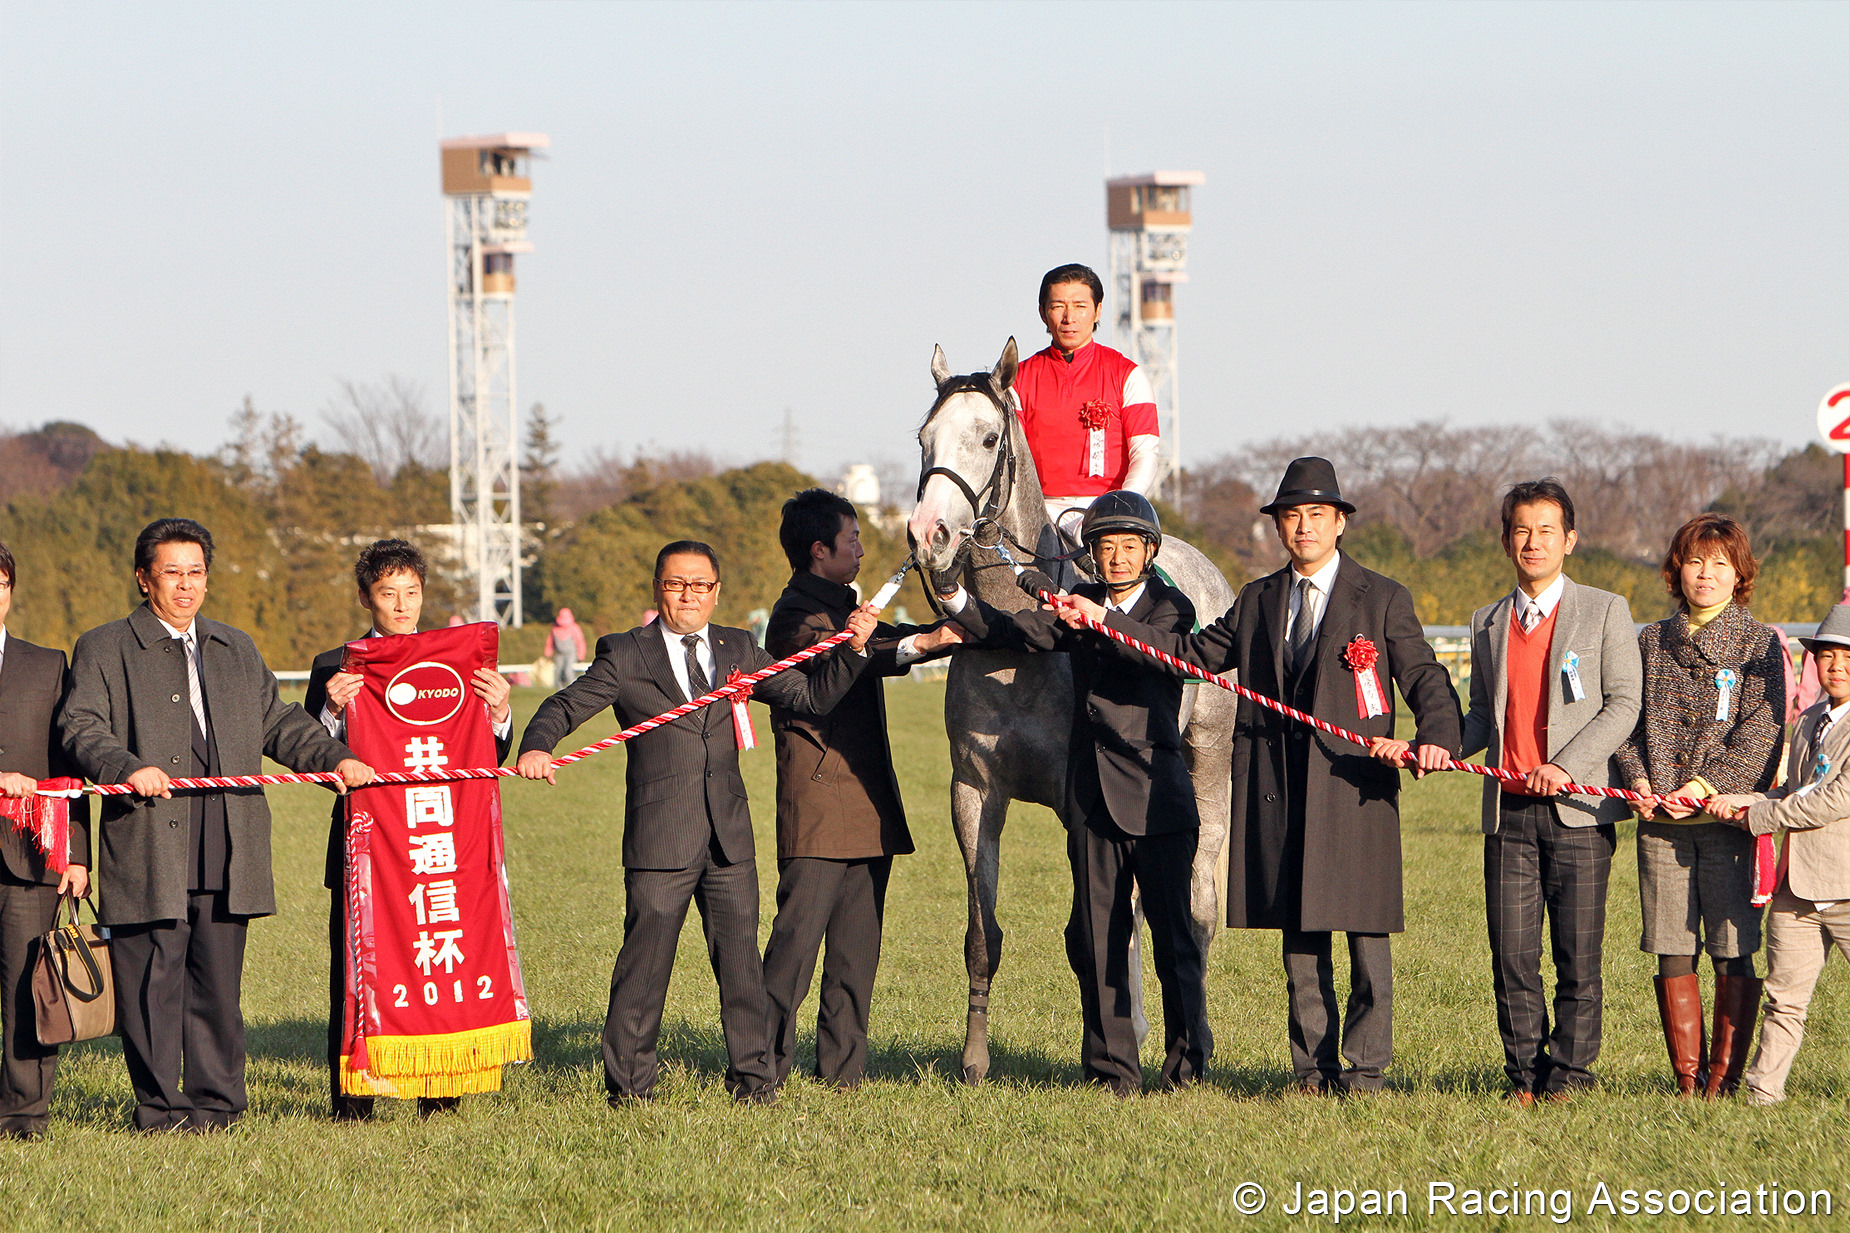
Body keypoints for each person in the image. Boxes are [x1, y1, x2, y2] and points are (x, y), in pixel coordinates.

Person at [1059, 462, 1460, 1095]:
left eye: (1316, 515)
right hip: (1281, 786)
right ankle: (1311, 1068)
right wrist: (1105, 621)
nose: (1303, 527)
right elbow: (1186, 656)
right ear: (1278, 526)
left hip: (1355, 785)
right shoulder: (1258, 599)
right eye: (1291, 516)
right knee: (1299, 931)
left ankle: (1368, 1069)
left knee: (1364, 934)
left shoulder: (1381, 596)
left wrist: (1435, 736)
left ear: (1340, 522)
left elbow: (1424, 674)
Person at [515, 540, 878, 1105]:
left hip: (729, 837)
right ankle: (630, 1088)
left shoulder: (737, 646)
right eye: (676, 584)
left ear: (716, 591)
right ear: (658, 588)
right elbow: (565, 704)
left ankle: (754, 1082)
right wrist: (537, 747)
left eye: (700, 585)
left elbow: (809, 698)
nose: (688, 595)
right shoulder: (626, 653)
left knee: (741, 970)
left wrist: (854, 650)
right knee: (645, 964)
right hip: (661, 836)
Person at [59, 518, 374, 1132]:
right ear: (143, 578)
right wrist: (125, 767)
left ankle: (218, 1104)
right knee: (152, 982)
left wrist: (336, 757)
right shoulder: (104, 647)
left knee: (217, 982)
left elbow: (278, 724)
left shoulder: (236, 647)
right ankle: (160, 1108)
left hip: (229, 839)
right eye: (171, 572)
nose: (185, 585)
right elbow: (80, 725)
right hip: (148, 833)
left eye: (195, 572)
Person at [944, 491, 1213, 1093]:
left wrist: (1097, 619)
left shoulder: (1171, 605)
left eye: (1128, 547)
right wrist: (956, 597)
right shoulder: (1082, 603)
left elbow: (1154, 654)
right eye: (1105, 548)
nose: (1117, 559)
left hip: (1154, 794)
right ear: (1091, 554)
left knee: (1173, 937)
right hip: (1089, 796)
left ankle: (1185, 1061)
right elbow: (1017, 632)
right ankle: (1109, 1067)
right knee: (1098, 937)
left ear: (1149, 552)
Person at [304, 539, 513, 1121]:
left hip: (440, 845)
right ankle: (354, 1100)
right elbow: (311, 760)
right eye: (387, 594)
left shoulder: (458, 661)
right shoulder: (336, 666)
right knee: (357, 970)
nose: (401, 605)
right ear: (366, 598)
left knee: (442, 962)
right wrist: (330, 714)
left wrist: (499, 715)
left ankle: (440, 1098)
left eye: (411, 592)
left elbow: (487, 757)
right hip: (366, 850)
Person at [760, 490, 963, 1087]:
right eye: (852, 539)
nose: (862, 549)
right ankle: (760, 1068)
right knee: (795, 947)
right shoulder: (795, 616)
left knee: (856, 952)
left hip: (866, 806)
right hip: (820, 806)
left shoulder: (845, 610)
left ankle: (842, 1073)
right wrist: (869, 643)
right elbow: (824, 686)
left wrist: (941, 635)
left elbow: (883, 645)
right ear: (819, 550)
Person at [1459, 480, 1642, 1105]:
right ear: (1507, 538)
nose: (1532, 542)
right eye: (1520, 530)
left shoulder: (1605, 609)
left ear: (1570, 539)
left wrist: (1565, 766)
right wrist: (1436, 747)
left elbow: (1624, 704)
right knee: (1511, 955)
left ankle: (1569, 1076)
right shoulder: (1487, 621)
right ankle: (1524, 1077)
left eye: (1545, 531)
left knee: (1576, 956)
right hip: (1508, 810)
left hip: (1581, 812)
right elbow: (1481, 715)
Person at [1614, 514, 1783, 1097]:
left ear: (1739, 574)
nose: (1705, 574)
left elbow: (1764, 731)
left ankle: (1724, 1076)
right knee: (1670, 944)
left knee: (1732, 947)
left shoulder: (1760, 644)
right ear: (1675, 570)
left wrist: (1705, 787)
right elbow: (1625, 723)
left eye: (1719, 563)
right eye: (1694, 561)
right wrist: (1639, 782)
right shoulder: (1648, 642)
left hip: (1729, 822)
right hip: (1660, 824)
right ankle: (1687, 1077)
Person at [1708, 605, 1850, 1104]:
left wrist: (1762, 818)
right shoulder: (1809, 719)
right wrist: (1747, 800)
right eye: (1827, 657)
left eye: (1847, 658)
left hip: (1847, 885)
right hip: (1796, 888)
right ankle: (1762, 1095)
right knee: (1784, 999)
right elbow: (1795, 788)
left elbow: (1835, 798)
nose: (1836, 667)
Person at [0, 542, 91, 1140]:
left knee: (27, 990)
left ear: (9, 589)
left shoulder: (47, 665)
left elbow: (70, 766)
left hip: (30, 853)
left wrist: (77, 854)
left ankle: (23, 1114)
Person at [1012, 264, 1160, 555]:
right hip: (1037, 513)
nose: (1069, 318)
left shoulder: (1128, 374)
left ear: (1097, 311)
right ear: (1043, 312)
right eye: (1058, 306)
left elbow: (1145, 454)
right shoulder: (1017, 379)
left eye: (1080, 306)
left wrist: (1119, 508)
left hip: (1107, 512)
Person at [545, 608, 587, 686]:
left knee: (568, 671)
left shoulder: (574, 628)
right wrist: (548, 652)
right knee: (558, 673)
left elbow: (580, 642)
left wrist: (581, 655)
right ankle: (560, 691)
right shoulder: (555, 628)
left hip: (571, 654)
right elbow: (550, 641)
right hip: (559, 654)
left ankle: (574, 689)